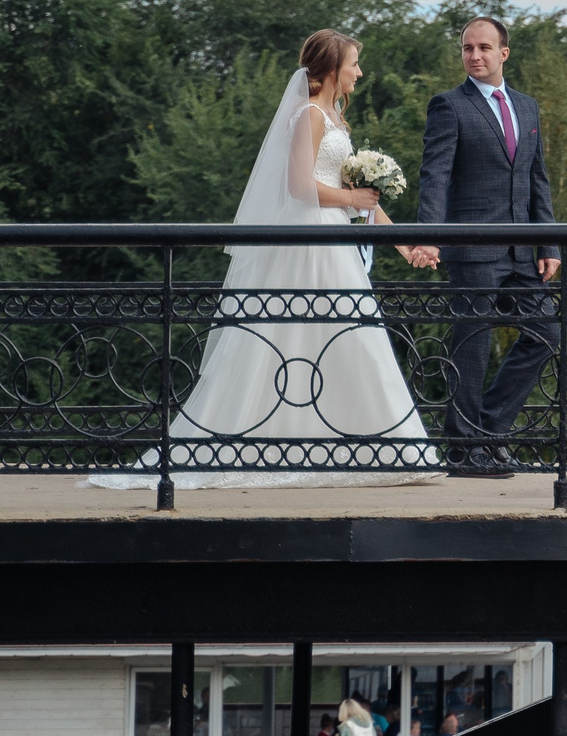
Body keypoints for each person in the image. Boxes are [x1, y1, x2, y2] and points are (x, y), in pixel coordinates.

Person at [90, 31, 439, 488]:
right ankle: (286, 442)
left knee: (345, 336)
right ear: (333, 68)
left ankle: (356, 443)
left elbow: (365, 204)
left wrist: (405, 244)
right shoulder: (310, 114)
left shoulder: (334, 118)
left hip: (333, 241)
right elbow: (300, 187)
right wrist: (352, 195)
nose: (360, 72)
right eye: (354, 63)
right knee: (300, 334)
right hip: (310, 242)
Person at [404, 15, 562, 477]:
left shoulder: (528, 107)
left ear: (503, 53)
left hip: (521, 250)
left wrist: (548, 242)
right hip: (471, 249)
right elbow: (434, 176)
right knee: (472, 347)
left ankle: (488, 431)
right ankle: (463, 450)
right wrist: (429, 239)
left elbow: (538, 181)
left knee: (547, 334)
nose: (475, 56)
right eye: (468, 48)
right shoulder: (449, 106)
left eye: (484, 48)